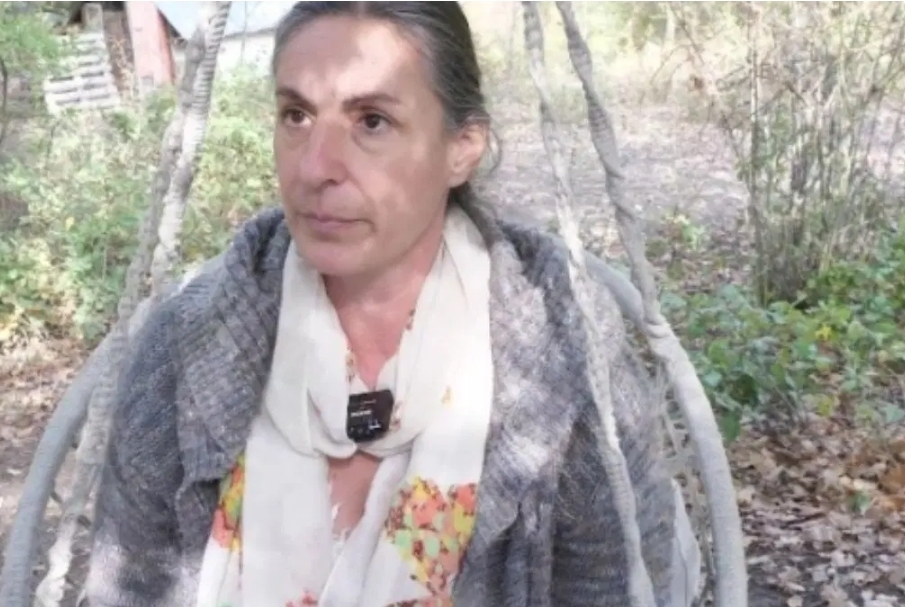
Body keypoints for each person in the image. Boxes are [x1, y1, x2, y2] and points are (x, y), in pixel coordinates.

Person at [85, 2, 701, 606]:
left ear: (462, 147)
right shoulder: (190, 342)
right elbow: (127, 586)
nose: (315, 167)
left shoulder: (557, 347)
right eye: (296, 115)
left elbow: (612, 585)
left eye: (372, 122)